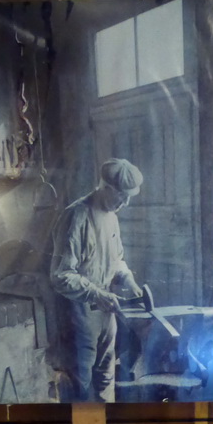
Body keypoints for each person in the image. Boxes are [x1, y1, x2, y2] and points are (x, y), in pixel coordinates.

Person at [50, 158, 143, 402]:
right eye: (123, 196)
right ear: (106, 187)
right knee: (81, 383)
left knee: (105, 378)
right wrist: (97, 295)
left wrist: (128, 278)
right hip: (79, 313)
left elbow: (116, 259)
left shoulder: (112, 215)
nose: (127, 202)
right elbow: (61, 276)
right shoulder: (76, 217)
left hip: (105, 311)